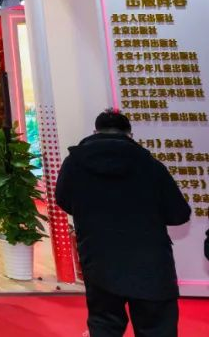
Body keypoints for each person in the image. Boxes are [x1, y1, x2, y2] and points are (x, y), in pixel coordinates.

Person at [56, 109, 190, 337]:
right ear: (130, 135)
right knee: (156, 327)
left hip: (99, 259)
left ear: (95, 132)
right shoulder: (151, 165)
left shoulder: (74, 164)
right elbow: (179, 214)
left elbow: (63, 199)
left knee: (104, 325)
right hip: (150, 263)